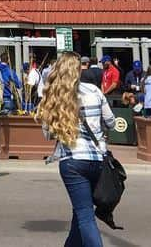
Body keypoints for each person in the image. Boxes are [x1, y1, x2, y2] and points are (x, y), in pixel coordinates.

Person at [38, 52, 117, 246]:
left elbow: (48, 135)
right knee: (81, 210)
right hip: (98, 159)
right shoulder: (93, 91)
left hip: (72, 160)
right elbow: (111, 122)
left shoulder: (55, 95)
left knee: (84, 216)